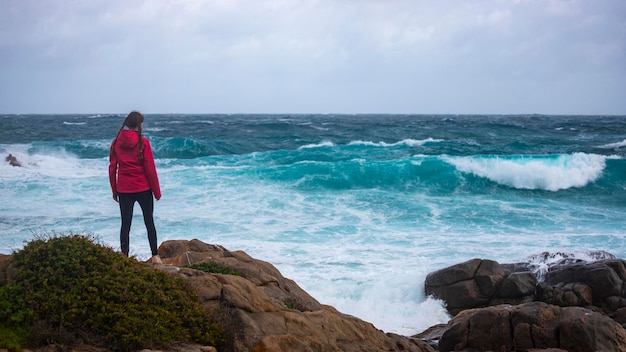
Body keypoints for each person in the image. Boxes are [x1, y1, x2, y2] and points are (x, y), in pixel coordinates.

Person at [109, 111, 162, 264]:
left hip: (124, 189)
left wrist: (114, 190)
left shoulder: (116, 142)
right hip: (143, 188)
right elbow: (150, 169)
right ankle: (155, 256)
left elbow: (113, 168)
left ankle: (124, 257)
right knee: (149, 222)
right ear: (139, 125)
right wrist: (157, 192)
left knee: (125, 224)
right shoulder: (143, 142)